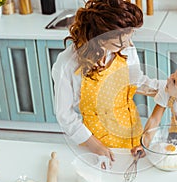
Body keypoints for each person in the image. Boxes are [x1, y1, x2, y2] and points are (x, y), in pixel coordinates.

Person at [52, 0, 160, 162]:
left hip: (132, 134)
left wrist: (166, 88)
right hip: (96, 143)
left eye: (129, 38)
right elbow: (64, 115)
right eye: (119, 42)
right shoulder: (68, 63)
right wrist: (94, 145)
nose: (127, 45)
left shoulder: (125, 47)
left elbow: (136, 81)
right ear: (98, 37)